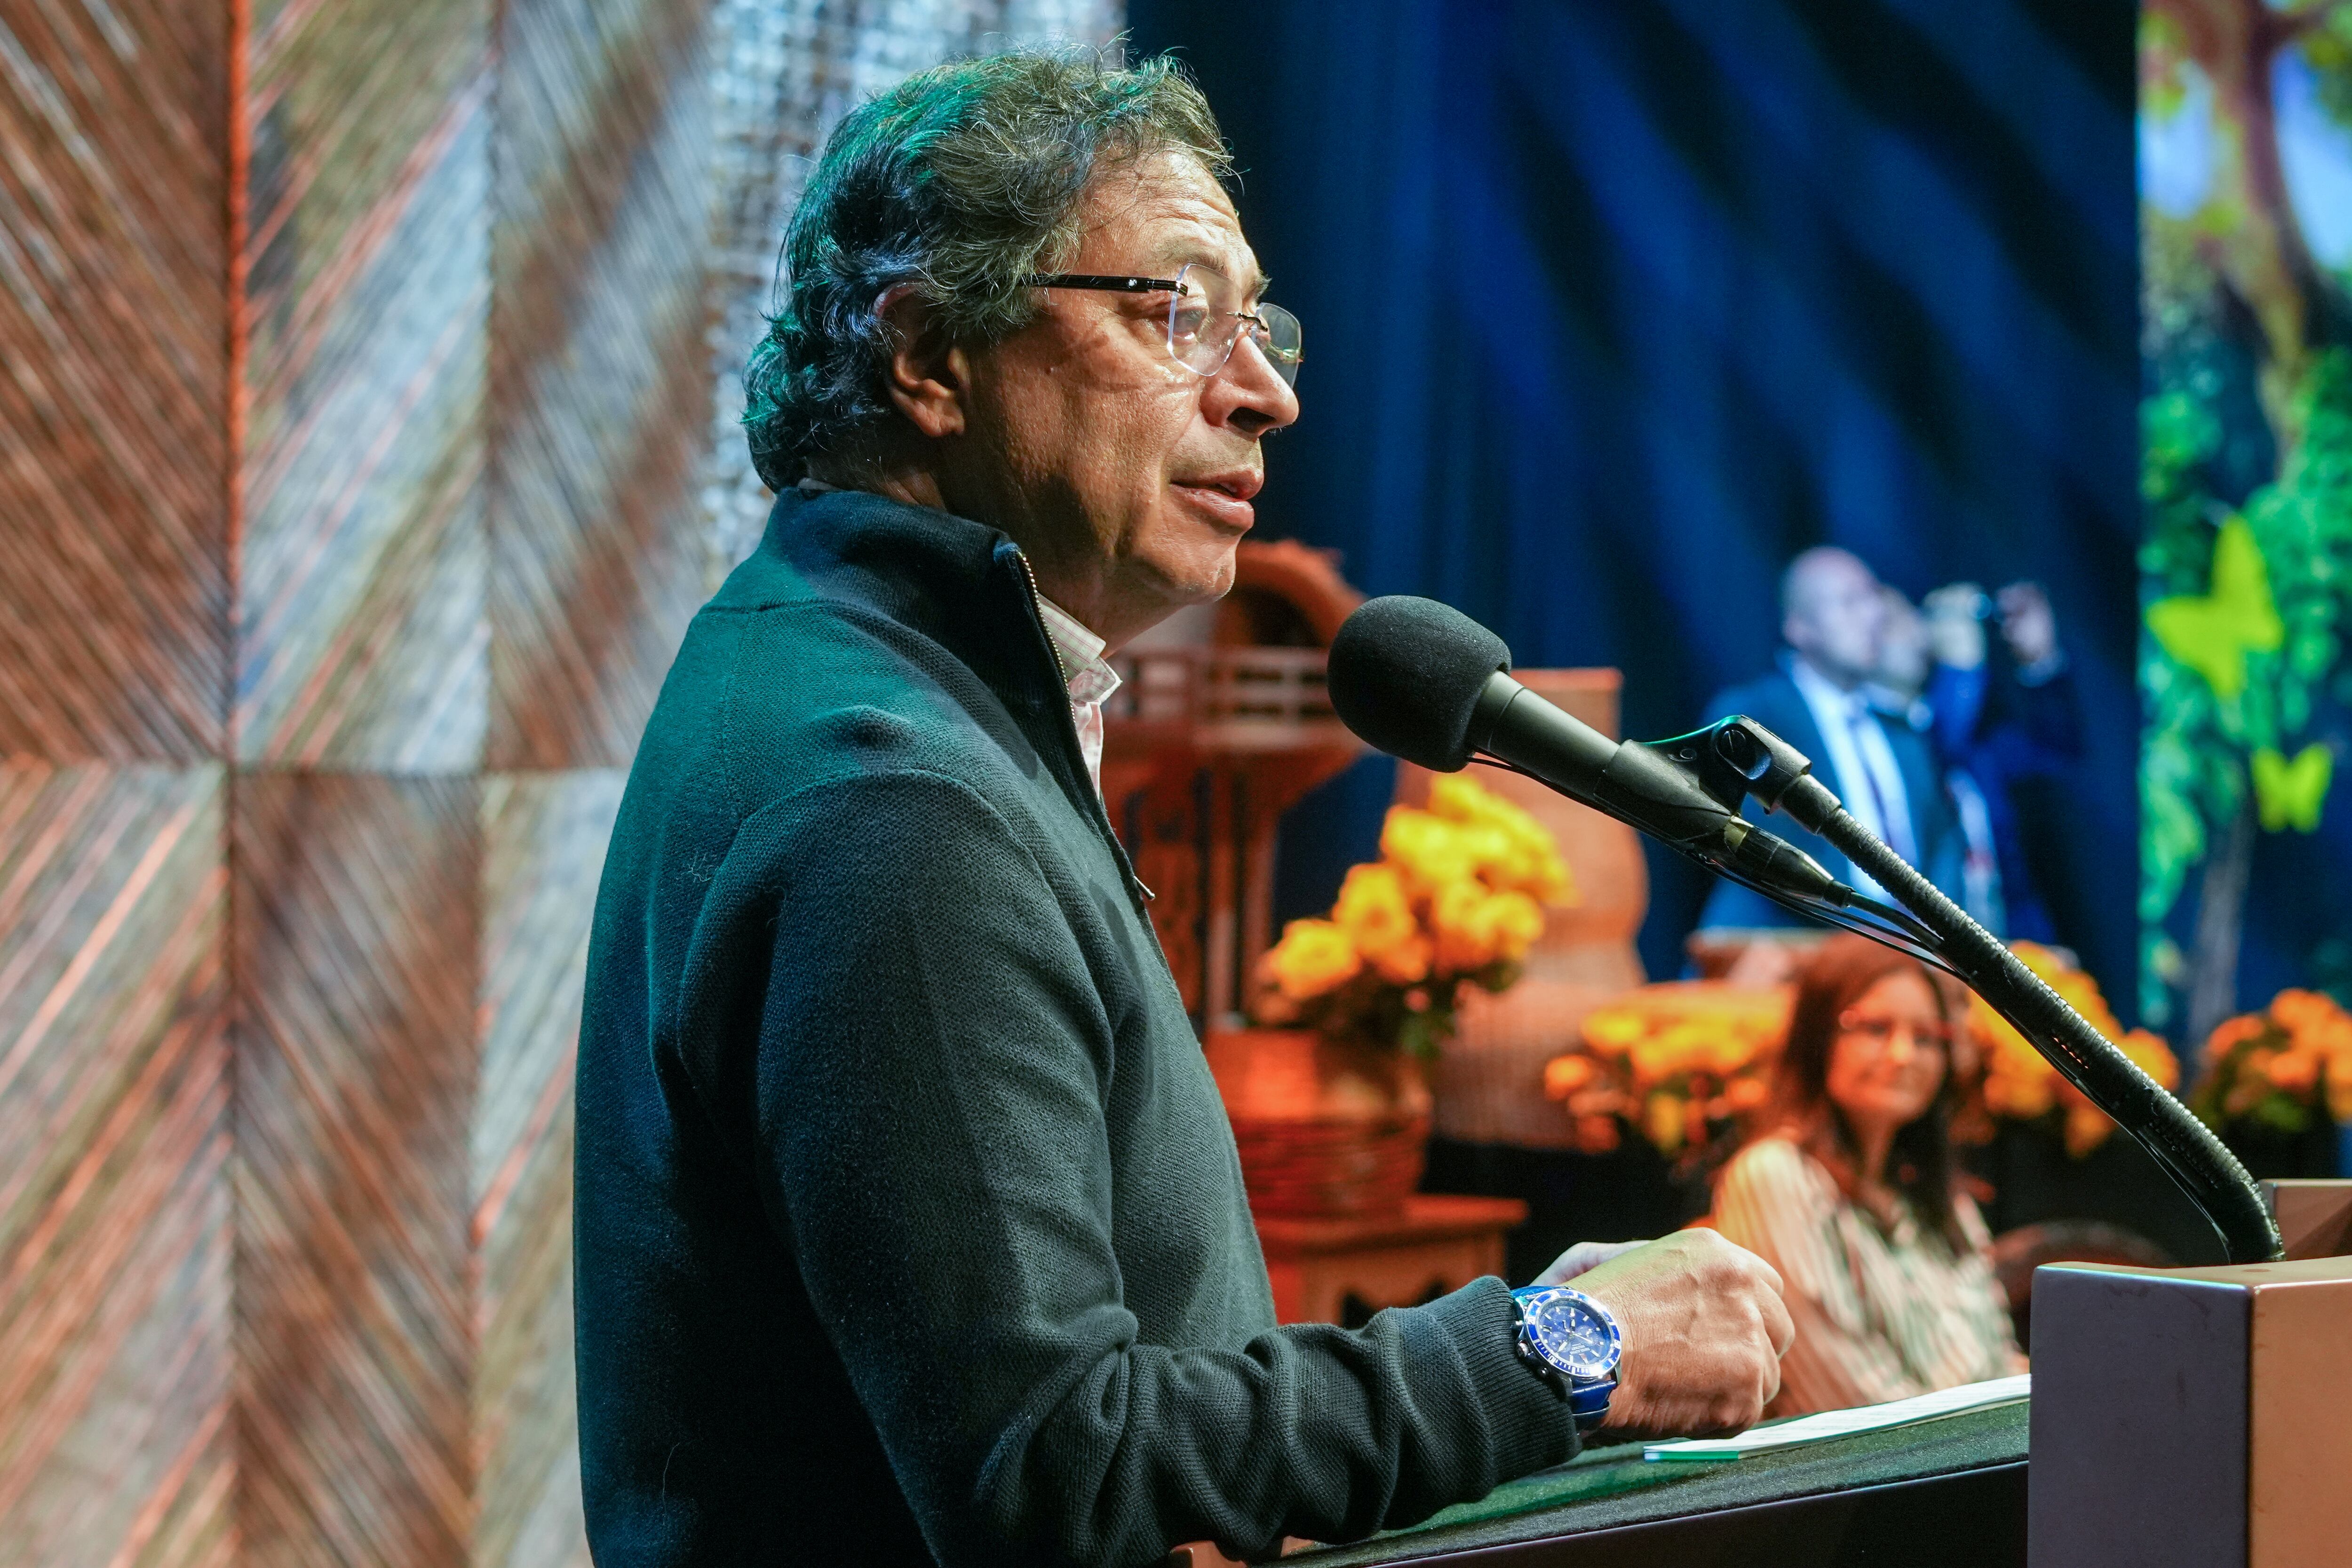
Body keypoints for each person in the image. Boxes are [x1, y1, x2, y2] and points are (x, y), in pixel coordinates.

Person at [572, 49, 1792, 1568]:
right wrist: (1557, 1352)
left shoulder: (849, 676)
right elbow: (1055, 1465)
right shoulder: (894, 795)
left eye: (1258, 322)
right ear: (929, 354)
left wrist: (1533, 1335)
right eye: (1174, 311)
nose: (1267, 391)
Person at [1712, 935, 2025, 1417]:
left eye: (1926, 1037)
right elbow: (1847, 1402)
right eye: (1876, 1028)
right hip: (1886, 1461)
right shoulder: (1774, 1174)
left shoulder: (1932, 1191)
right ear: (1818, 1037)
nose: (1903, 1055)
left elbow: (2000, 1353)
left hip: (1982, 1448)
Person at [1695, 546, 1965, 935]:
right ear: (1800, 628)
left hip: (1908, 953)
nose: (1873, 615)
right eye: (1850, 601)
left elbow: (1941, 844)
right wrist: (1867, 936)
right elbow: (1753, 846)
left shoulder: (1902, 733)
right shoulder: (1751, 718)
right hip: (1786, 945)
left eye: (1873, 597)